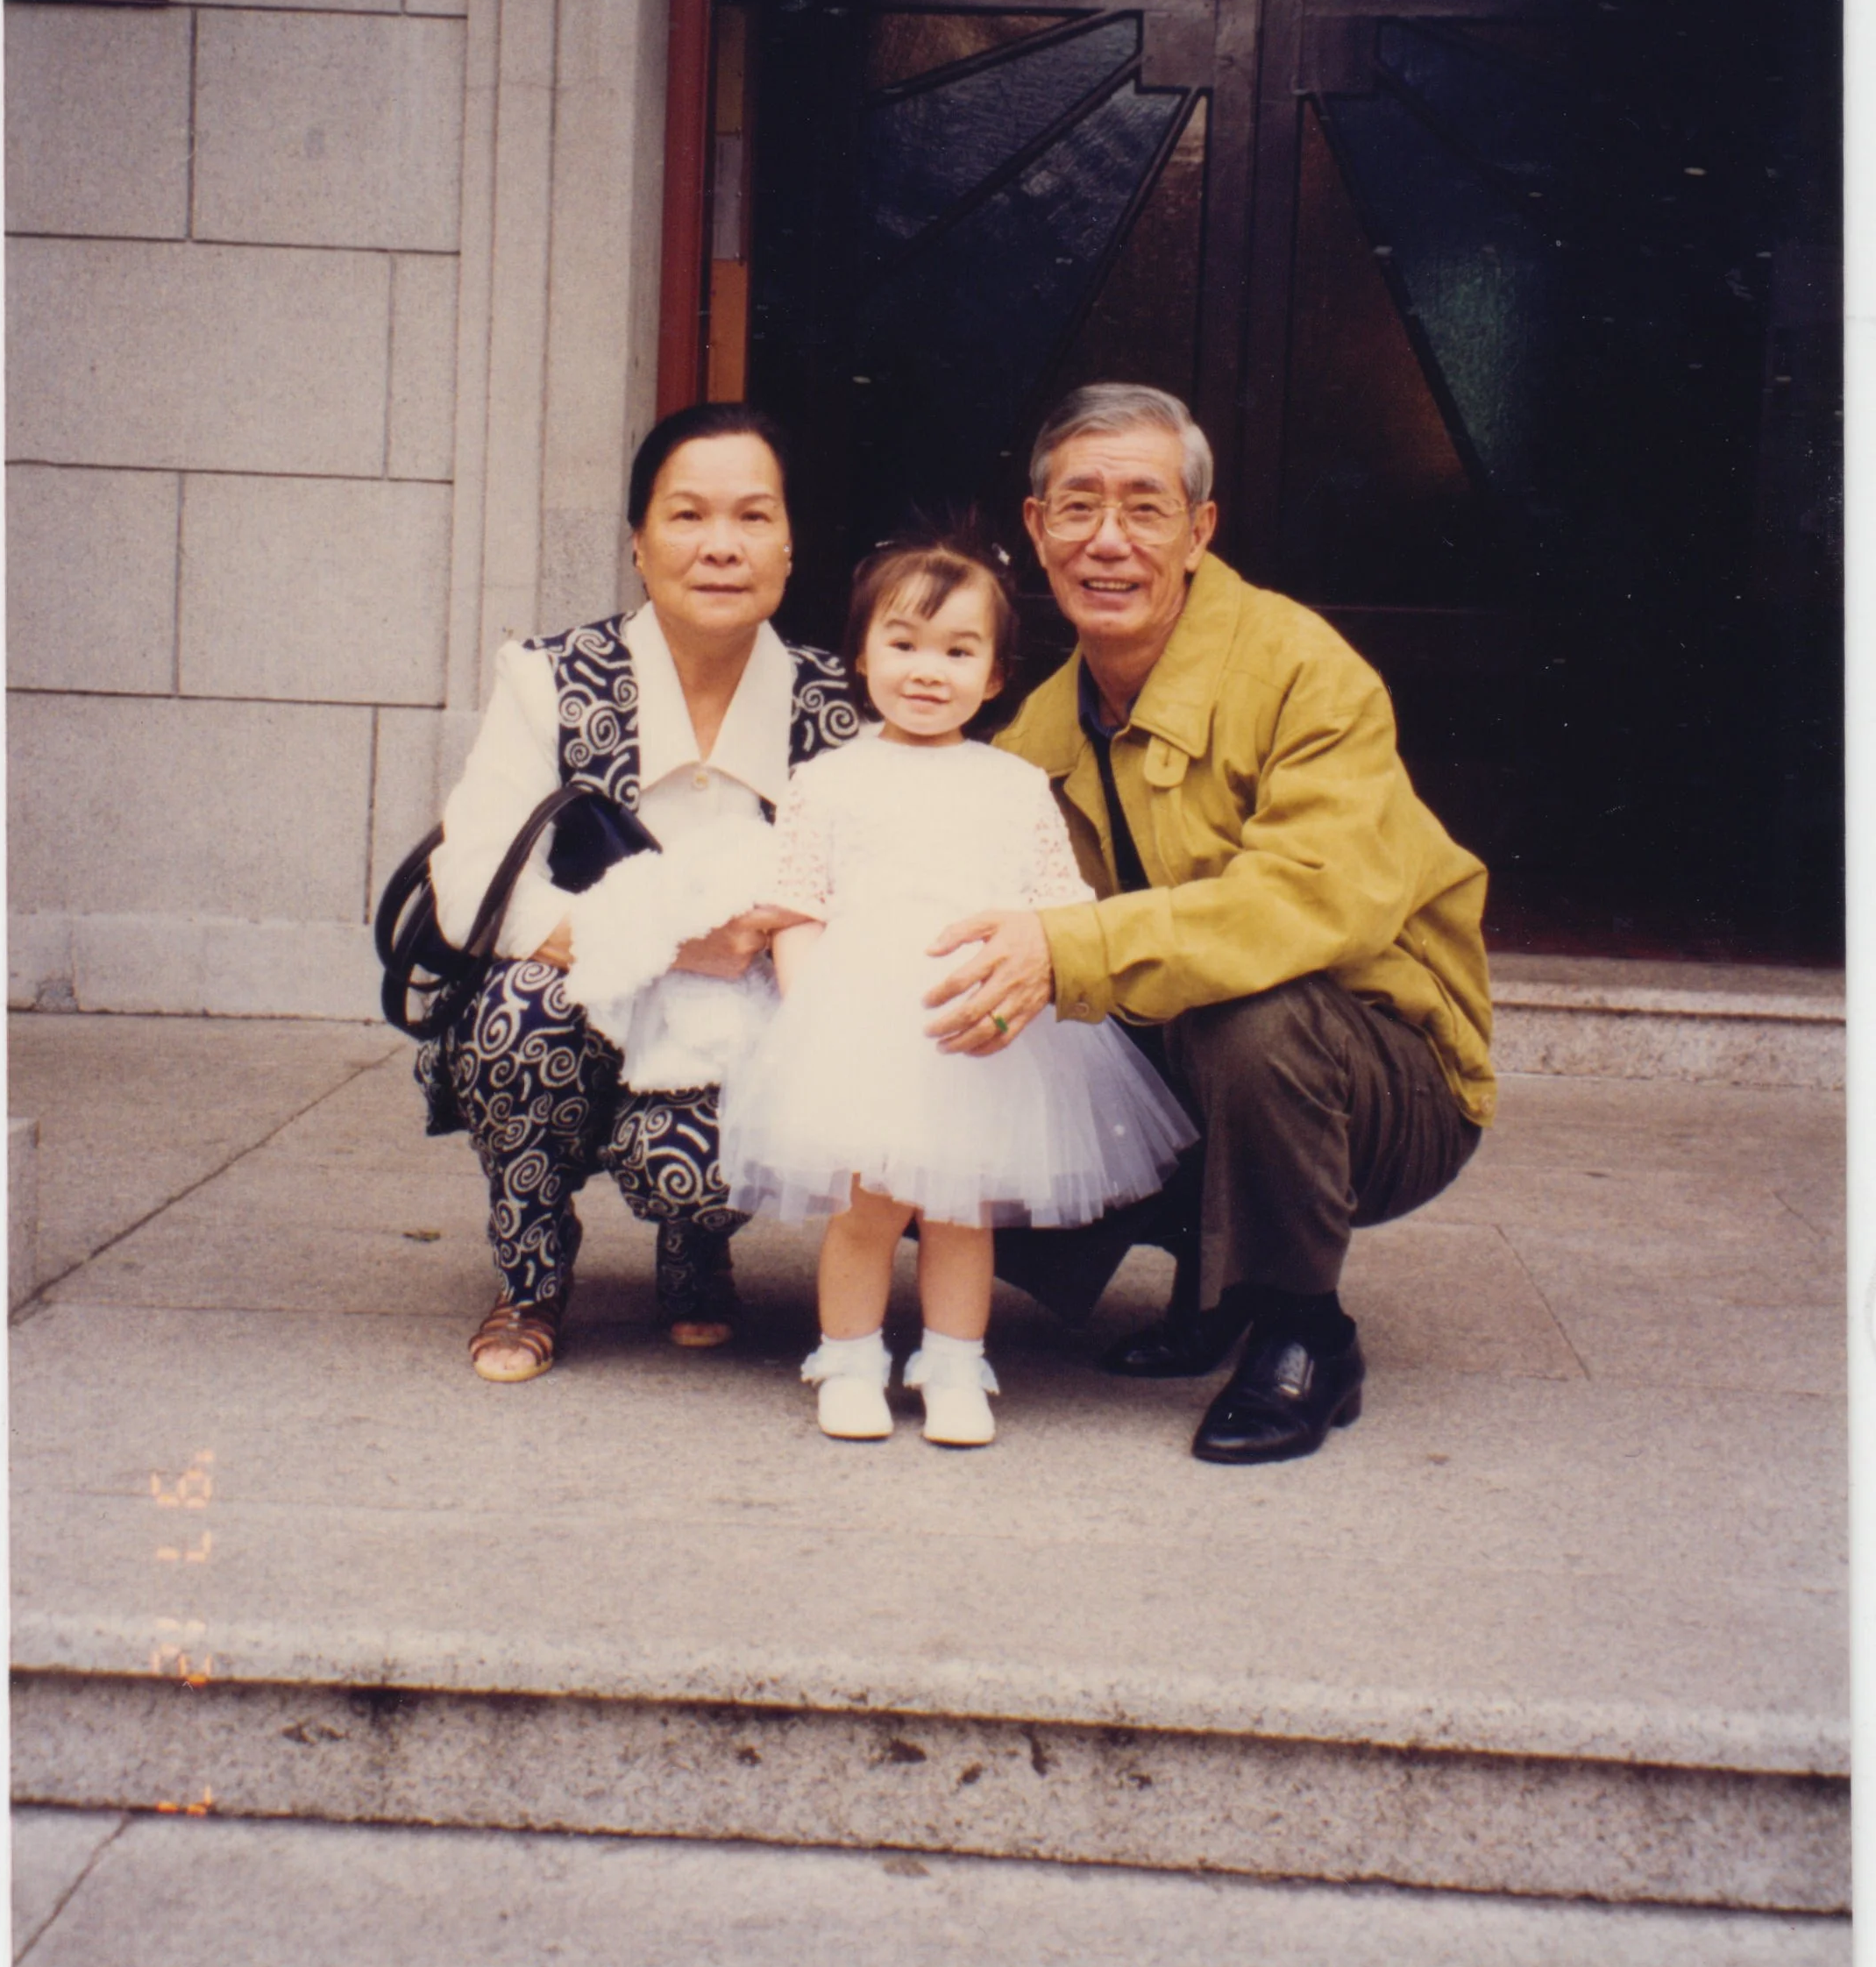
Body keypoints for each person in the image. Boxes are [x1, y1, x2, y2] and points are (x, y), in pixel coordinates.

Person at [920, 383, 1494, 1466]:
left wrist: (1071, 953)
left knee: (1247, 1009)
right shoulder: (1037, 729)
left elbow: (1308, 905)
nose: (1109, 541)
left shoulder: (1302, 668)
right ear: (1036, 530)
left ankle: (1303, 1331)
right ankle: (1217, 1284)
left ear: (1200, 531)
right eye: (1078, 507)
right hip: (1210, 1065)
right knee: (969, 1010)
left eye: (1145, 507)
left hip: (1395, 1079)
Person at [718, 535, 1197, 1448]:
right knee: (868, 1208)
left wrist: (1020, 1008)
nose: (927, 671)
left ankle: (952, 1362)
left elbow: (1058, 920)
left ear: (997, 674)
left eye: (958, 650)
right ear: (861, 657)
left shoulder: (1018, 787)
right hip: (860, 1027)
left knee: (960, 1210)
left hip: (973, 1028)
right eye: (903, 645)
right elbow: (798, 909)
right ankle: (851, 1358)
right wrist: (817, 1017)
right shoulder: (827, 782)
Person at [421, 402, 860, 1382]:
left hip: (736, 1018)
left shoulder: (843, 702)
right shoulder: (550, 679)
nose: (720, 547)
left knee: (699, 1171)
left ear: (790, 545)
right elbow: (469, 892)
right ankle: (530, 1275)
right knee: (517, 1014)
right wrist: (667, 939)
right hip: (585, 997)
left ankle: (696, 1247)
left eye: (753, 518)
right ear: (638, 541)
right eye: (686, 516)